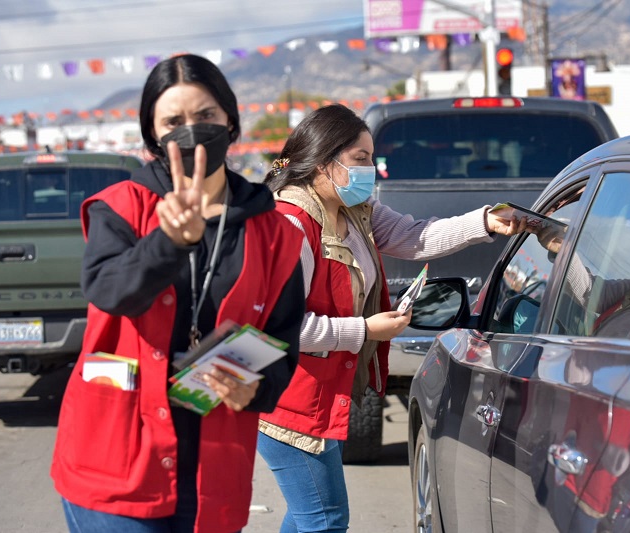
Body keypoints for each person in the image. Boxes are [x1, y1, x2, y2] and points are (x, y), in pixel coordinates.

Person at [49, 54, 306, 533]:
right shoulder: (122, 207)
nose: (192, 130)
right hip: (118, 463)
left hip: (216, 464)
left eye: (205, 115)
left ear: (230, 120)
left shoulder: (277, 234)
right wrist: (168, 243)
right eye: (174, 121)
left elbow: (283, 337)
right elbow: (109, 291)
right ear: (153, 134)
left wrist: (259, 387)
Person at [257, 103, 529, 532]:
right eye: (360, 160)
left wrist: (485, 222)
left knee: (307, 518)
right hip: (287, 404)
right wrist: (364, 330)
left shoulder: (354, 210)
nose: (370, 171)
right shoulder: (289, 225)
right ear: (324, 163)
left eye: (372, 159)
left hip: (319, 399)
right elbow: (282, 327)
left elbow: (415, 236)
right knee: (324, 520)